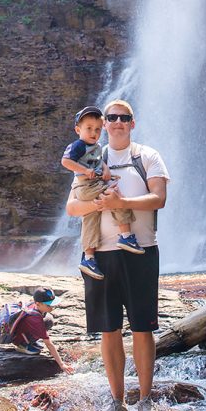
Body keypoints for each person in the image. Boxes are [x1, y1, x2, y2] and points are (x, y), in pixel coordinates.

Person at [65, 99, 169, 411]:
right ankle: (116, 402)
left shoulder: (147, 156)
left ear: (132, 124)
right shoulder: (91, 155)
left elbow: (159, 198)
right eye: (111, 117)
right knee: (108, 329)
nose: (117, 122)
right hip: (102, 256)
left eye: (124, 117)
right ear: (103, 124)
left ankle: (146, 401)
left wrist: (121, 201)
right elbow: (72, 208)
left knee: (142, 327)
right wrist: (99, 203)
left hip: (141, 251)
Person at [61, 105, 144, 281]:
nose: (94, 132)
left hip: (92, 184)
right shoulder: (78, 145)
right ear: (78, 129)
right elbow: (66, 161)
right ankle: (125, 235)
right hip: (86, 186)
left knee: (90, 218)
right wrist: (84, 170)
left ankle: (89, 257)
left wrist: (105, 169)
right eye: (89, 129)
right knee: (114, 196)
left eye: (98, 129)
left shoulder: (97, 146)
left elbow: (98, 162)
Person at [10, 287, 73, 374]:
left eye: (52, 304)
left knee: (49, 319)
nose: (52, 307)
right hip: (18, 338)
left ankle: (29, 340)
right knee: (36, 350)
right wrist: (62, 364)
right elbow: (48, 343)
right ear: (38, 304)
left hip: (24, 330)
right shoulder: (34, 319)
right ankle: (23, 345)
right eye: (48, 305)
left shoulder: (35, 307)